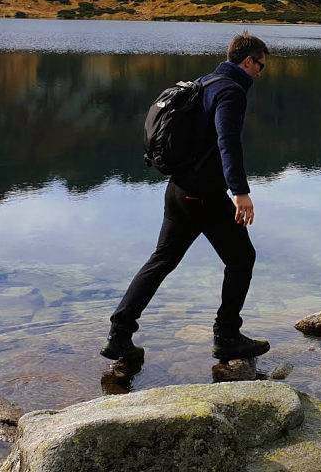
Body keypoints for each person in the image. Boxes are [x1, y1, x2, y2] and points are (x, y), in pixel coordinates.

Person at [102, 32, 272, 364]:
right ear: (248, 60)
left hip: (178, 191)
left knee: (161, 260)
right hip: (204, 195)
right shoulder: (231, 91)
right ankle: (227, 336)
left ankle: (119, 334)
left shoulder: (205, 82)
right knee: (242, 259)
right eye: (261, 66)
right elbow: (228, 141)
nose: (260, 74)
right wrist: (240, 192)